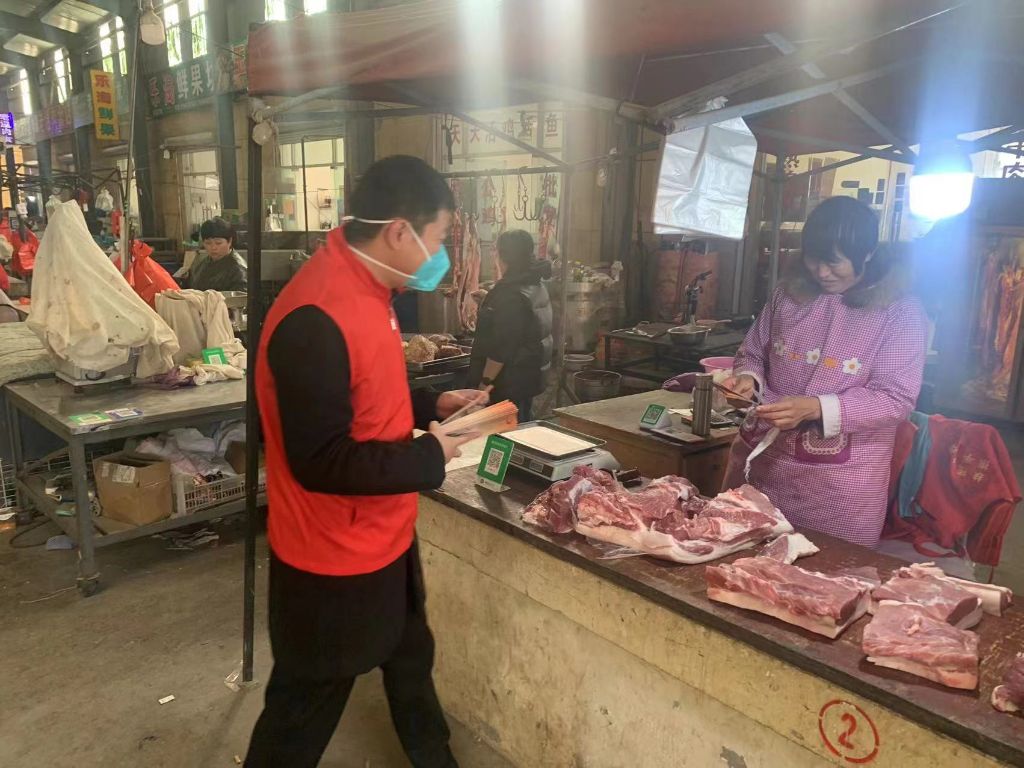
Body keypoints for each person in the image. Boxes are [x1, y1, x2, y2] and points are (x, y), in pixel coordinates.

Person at [245, 155, 483, 768]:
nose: (442, 255)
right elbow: (320, 460)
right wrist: (428, 457)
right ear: (400, 232)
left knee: (411, 663)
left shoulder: (371, 289)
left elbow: (363, 395)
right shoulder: (315, 317)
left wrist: (431, 403)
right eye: (439, 239)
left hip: (384, 538)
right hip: (331, 559)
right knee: (303, 708)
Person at [722, 196, 928, 548]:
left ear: (867, 253)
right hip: (765, 466)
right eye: (813, 258)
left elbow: (896, 398)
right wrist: (747, 380)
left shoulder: (899, 312)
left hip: (840, 488)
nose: (821, 272)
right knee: (746, 563)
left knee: (826, 572)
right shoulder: (788, 295)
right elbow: (753, 353)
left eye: (833, 262)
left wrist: (815, 408)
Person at [468, 229, 553, 421]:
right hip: (526, 379)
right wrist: (491, 303)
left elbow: (501, 348)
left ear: (503, 256)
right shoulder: (535, 283)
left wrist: (485, 383)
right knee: (521, 424)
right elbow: (524, 325)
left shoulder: (510, 294)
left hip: (507, 384)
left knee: (506, 433)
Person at [187, 217, 247, 292]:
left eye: (218, 243)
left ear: (229, 241)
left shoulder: (238, 270)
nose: (213, 247)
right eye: (208, 243)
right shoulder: (202, 263)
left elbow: (240, 296)